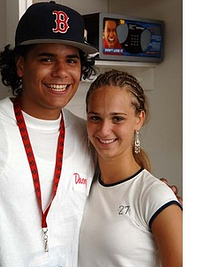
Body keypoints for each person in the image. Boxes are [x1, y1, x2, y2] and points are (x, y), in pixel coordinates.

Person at [0, 1, 181, 267]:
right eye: (46, 58)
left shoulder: (84, 132)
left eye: (71, 60)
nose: (61, 71)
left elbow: (122, 187)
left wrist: (160, 199)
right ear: (21, 65)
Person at [78, 69, 183, 267]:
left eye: (117, 118)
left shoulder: (155, 196)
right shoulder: (83, 187)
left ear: (139, 119)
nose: (103, 130)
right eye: (95, 118)